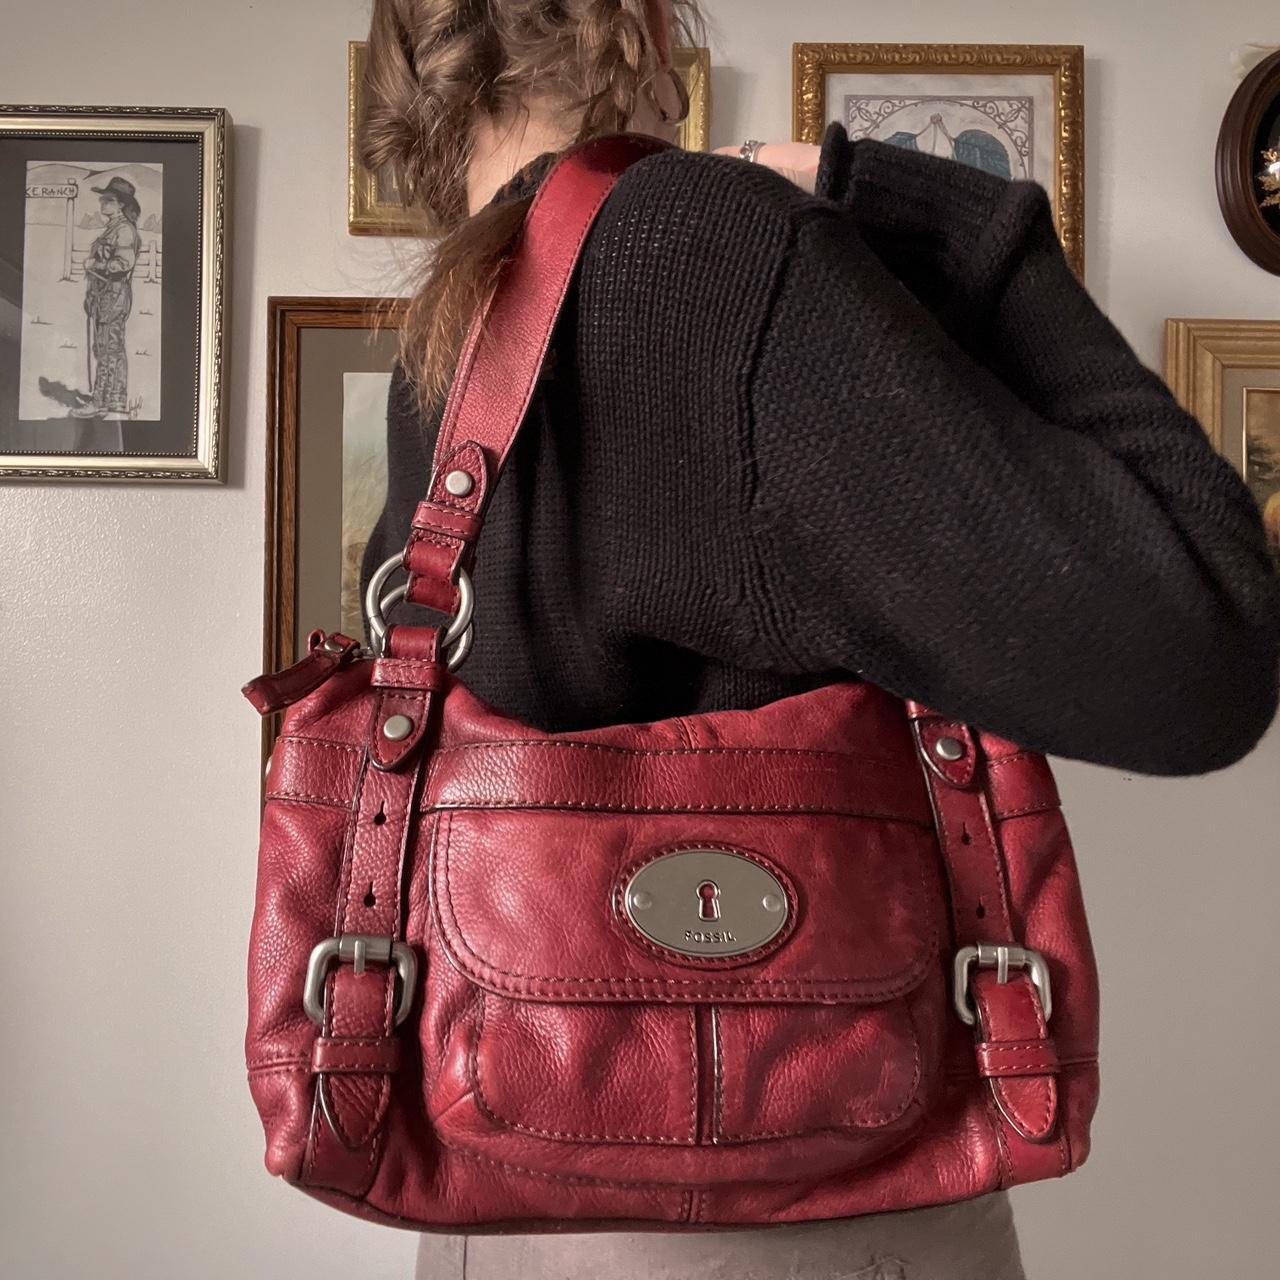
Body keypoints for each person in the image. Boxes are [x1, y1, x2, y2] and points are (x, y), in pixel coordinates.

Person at [357, 3, 1280, 1277]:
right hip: (804, 1204)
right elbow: (1203, 652)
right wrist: (938, 217)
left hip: (500, 1199)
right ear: (640, 25)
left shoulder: (455, 330)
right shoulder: (707, 251)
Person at [70, 175, 141, 420]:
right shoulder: (114, 228)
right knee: (109, 347)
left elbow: (123, 263)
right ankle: (115, 401)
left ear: (121, 204)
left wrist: (95, 264)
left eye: (108, 200)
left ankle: (101, 403)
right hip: (105, 294)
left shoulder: (123, 230)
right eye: (102, 199)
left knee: (108, 348)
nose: (102, 203)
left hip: (114, 294)